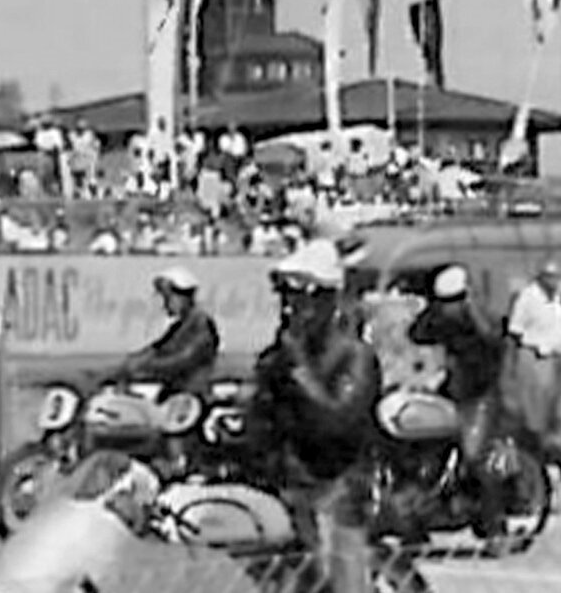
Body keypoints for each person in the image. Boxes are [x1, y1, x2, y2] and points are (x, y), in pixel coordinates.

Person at [248, 241, 409, 593]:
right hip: (283, 491)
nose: (290, 308)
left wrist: (297, 372)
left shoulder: (355, 357)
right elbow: (260, 420)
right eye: (285, 297)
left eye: (301, 297)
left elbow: (336, 422)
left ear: (326, 300)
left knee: (339, 580)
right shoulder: (279, 357)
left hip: (337, 492)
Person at [407, 265, 511, 548]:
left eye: (451, 302)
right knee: (422, 445)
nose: (447, 309)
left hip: (479, 395)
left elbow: (495, 341)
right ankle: (417, 516)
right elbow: (415, 334)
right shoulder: (441, 319)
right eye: (443, 303)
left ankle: (495, 529)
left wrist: (472, 314)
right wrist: (429, 311)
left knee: (475, 454)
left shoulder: (480, 319)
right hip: (451, 390)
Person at [503, 260, 561, 480]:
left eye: (557, 277)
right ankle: (532, 469)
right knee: (535, 418)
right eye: (551, 277)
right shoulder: (528, 298)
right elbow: (515, 333)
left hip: (557, 358)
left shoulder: (558, 299)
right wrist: (511, 369)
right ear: (541, 278)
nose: (555, 282)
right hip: (534, 358)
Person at [120, 265, 221, 400]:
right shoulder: (180, 326)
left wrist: (143, 367)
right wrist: (125, 366)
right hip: (174, 394)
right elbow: (155, 349)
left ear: (183, 297)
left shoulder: (201, 325)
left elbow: (182, 360)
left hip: (191, 399)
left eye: (168, 298)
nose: (165, 305)